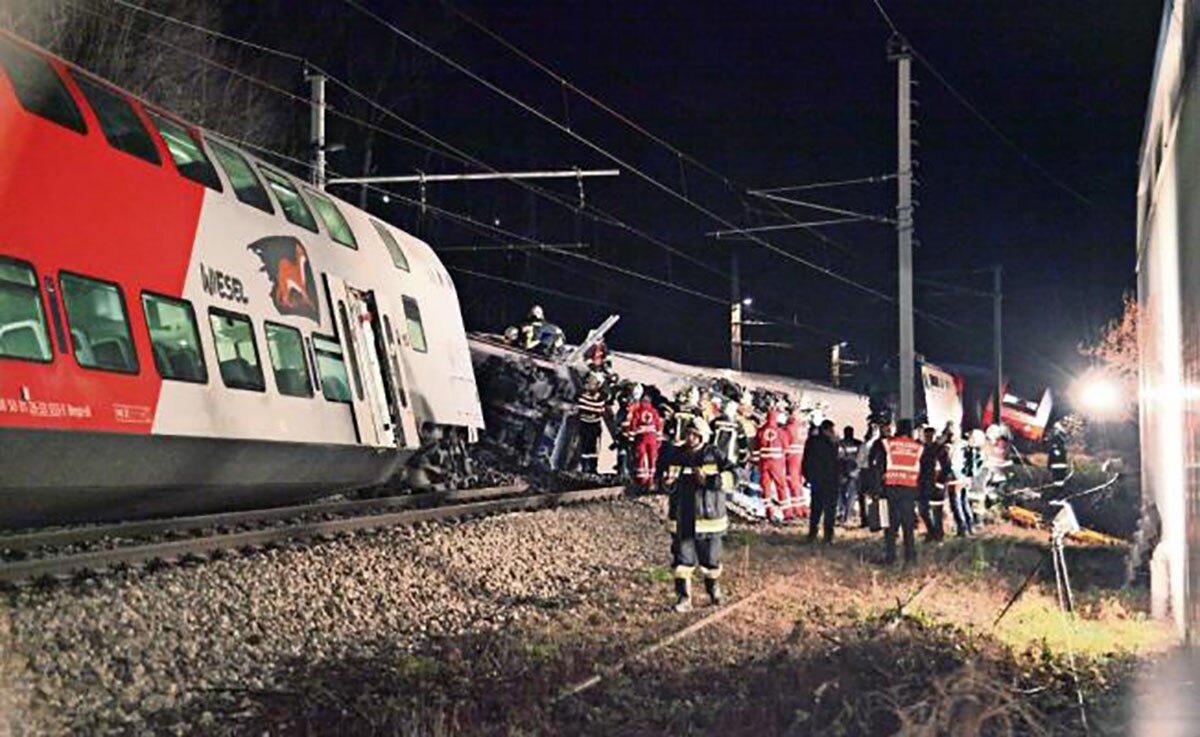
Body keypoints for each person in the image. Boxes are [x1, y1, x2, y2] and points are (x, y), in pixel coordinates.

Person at [663, 417, 732, 612]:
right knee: (682, 561)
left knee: (711, 561)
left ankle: (714, 591)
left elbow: (733, 475)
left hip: (710, 519)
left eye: (695, 434)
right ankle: (684, 598)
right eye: (688, 434)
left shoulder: (715, 455)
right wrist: (667, 483)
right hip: (683, 516)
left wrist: (711, 481)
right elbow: (666, 479)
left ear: (702, 436)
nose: (690, 438)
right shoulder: (676, 455)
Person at [880, 419, 922, 564]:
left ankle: (890, 556)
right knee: (908, 525)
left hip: (891, 488)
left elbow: (880, 465)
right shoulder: (918, 447)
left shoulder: (889, 444)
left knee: (891, 525)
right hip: (909, 488)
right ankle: (910, 557)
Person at [802, 419, 841, 543]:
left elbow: (806, 460)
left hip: (816, 480)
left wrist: (808, 477)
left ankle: (812, 534)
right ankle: (828, 537)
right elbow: (839, 462)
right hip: (831, 480)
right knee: (830, 510)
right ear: (828, 429)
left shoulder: (812, 441)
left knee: (816, 508)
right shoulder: (834, 443)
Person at [624, 384, 662, 490]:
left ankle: (642, 480)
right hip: (652, 438)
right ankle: (650, 480)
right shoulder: (654, 411)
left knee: (641, 457)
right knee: (651, 458)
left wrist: (630, 438)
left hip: (641, 438)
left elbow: (633, 424)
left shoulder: (638, 410)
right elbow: (658, 425)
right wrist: (659, 439)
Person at [753, 409, 788, 523]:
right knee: (781, 487)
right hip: (776, 463)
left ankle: (769, 512)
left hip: (764, 463)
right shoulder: (780, 432)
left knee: (766, 488)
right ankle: (786, 513)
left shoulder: (761, 431)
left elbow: (756, 448)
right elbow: (786, 447)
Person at [917, 426, 951, 542]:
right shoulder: (921, 449)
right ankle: (931, 532)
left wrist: (940, 482)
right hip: (922, 484)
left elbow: (946, 467)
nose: (928, 438)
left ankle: (939, 535)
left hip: (936, 484)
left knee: (937, 512)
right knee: (923, 510)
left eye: (930, 436)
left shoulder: (940, 450)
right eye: (926, 436)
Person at [945, 425, 975, 537]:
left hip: (955, 477)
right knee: (964, 502)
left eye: (950, 433)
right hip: (964, 476)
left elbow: (948, 463)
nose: (950, 436)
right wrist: (969, 476)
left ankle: (962, 529)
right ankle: (970, 526)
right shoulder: (965, 444)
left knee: (956, 503)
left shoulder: (950, 446)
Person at [575, 372, 607, 474]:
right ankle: (584, 468)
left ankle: (593, 469)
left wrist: (586, 406)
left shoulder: (601, 397)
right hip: (584, 424)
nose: (589, 383)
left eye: (592, 381)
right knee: (583, 447)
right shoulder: (582, 395)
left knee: (593, 448)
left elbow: (595, 408)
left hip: (594, 426)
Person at [783, 411, 809, 520]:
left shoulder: (788, 428)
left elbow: (784, 443)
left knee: (792, 483)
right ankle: (803, 507)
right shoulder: (804, 428)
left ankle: (797, 509)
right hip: (801, 456)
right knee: (799, 482)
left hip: (791, 457)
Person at [837, 426, 864, 525]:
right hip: (854, 472)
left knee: (843, 494)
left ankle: (843, 513)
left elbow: (838, 458)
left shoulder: (840, 444)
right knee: (851, 495)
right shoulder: (858, 443)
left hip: (843, 472)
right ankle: (847, 515)